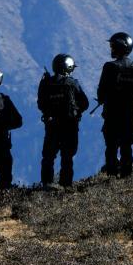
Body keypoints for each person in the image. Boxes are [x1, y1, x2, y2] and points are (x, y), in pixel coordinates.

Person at [97, 32, 133, 178]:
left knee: (111, 146)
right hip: (129, 114)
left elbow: (101, 92)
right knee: (127, 145)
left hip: (112, 113)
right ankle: (126, 176)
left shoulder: (109, 67)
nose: (111, 50)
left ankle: (112, 176)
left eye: (113, 47)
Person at [37, 54, 90, 188]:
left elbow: (41, 104)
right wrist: (76, 111)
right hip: (69, 125)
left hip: (52, 126)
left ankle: (47, 184)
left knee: (48, 157)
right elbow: (85, 103)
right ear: (68, 68)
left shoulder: (46, 83)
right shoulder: (72, 83)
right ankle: (65, 185)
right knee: (67, 157)